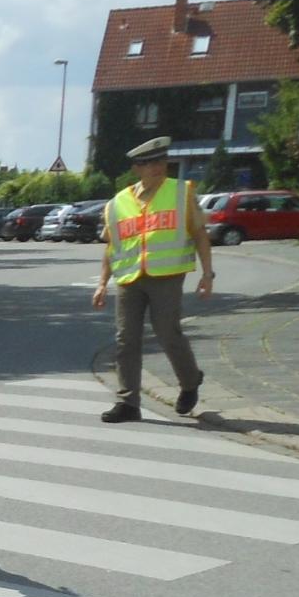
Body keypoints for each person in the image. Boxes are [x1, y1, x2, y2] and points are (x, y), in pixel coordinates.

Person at [94, 136, 213, 423]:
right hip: (129, 278)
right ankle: (128, 402)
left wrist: (207, 273)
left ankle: (189, 382)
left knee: (167, 333)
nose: (157, 167)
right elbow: (112, 246)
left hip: (167, 276)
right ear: (137, 168)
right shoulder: (117, 204)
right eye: (149, 163)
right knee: (126, 340)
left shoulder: (181, 192)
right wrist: (102, 283)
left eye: (161, 161)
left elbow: (199, 234)